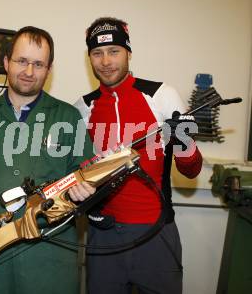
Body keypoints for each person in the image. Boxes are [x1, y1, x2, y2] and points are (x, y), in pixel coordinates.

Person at [0, 26, 96, 294]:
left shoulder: (67, 117)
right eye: (22, 61)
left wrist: (84, 191)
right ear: (6, 63)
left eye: (38, 64)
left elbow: (83, 173)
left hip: (53, 258)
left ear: (49, 69)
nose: (28, 72)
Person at [74, 17, 203, 294]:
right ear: (90, 59)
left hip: (156, 233)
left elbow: (192, 171)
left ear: (129, 53)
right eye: (97, 53)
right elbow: (78, 176)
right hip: (103, 236)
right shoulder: (83, 108)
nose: (106, 61)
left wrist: (184, 143)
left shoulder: (162, 95)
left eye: (114, 51)